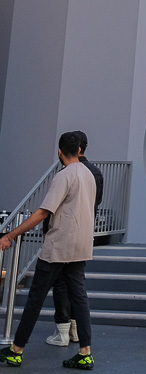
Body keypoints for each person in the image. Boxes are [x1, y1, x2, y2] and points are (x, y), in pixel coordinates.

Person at [0, 130, 96, 370]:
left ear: (59, 152)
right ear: (81, 151)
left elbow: (44, 211)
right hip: (81, 244)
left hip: (59, 245)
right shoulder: (89, 174)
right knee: (80, 298)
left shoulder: (64, 176)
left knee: (36, 298)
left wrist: (11, 234)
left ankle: (16, 350)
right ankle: (85, 353)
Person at [47, 131, 104, 349]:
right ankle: (75, 330)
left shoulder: (68, 173)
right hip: (84, 234)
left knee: (60, 282)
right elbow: (95, 204)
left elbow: (53, 208)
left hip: (64, 234)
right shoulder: (95, 173)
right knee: (77, 284)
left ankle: (62, 329)